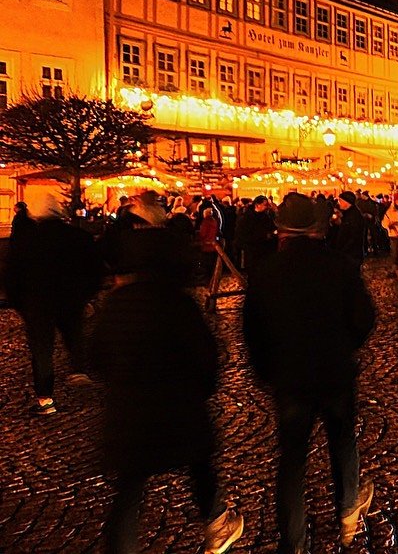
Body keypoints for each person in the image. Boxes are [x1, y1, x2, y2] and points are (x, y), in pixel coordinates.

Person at [90, 227, 243, 554]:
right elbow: (206, 359)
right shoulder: (177, 304)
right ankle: (217, 522)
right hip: (178, 411)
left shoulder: (117, 305)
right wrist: (197, 393)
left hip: (128, 417)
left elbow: (96, 358)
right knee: (200, 465)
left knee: (129, 490)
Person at [242, 194, 377, 552]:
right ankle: (347, 511)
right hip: (334, 370)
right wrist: (344, 346)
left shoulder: (266, 272)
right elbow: (365, 318)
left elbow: (252, 331)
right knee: (342, 440)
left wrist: (267, 369)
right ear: (316, 228)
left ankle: (294, 541)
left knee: (292, 460)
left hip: (290, 377)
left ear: (281, 229)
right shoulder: (339, 266)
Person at [3, 196, 102, 414]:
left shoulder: (27, 241)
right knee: (73, 334)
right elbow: (95, 270)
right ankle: (78, 369)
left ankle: (45, 400)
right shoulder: (79, 237)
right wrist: (87, 296)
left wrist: (20, 304)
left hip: (37, 303)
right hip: (71, 299)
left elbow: (12, 275)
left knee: (42, 350)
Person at [234, 195, 277, 276]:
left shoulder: (266, 217)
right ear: (257, 205)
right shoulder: (247, 218)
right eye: (265, 205)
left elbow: (272, 228)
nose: (266, 207)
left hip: (264, 249)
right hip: (251, 250)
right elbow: (242, 234)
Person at [334, 191, 367, 266]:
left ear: (347, 202)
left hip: (351, 254)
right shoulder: (347, 213)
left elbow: (354, 236)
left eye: (340, 201)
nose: (339, 203)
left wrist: (343, 249)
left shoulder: (354, 216)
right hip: (348, 253)